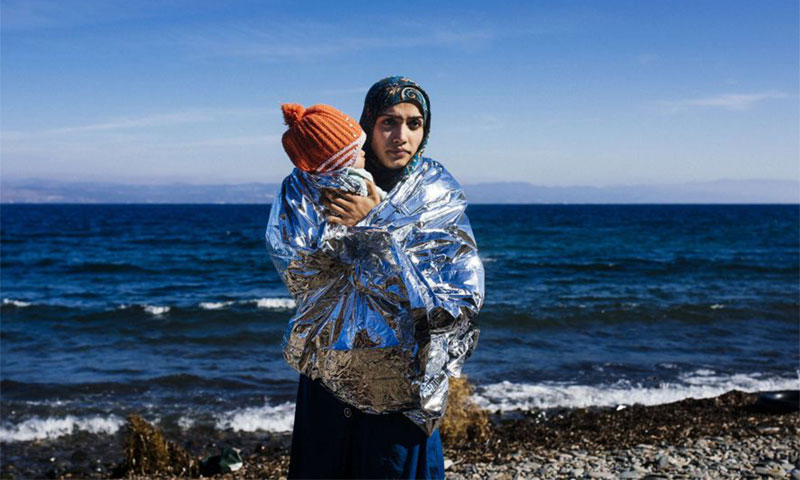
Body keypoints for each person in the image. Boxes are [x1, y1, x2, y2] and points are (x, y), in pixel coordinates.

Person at [266, 76, 484, 479]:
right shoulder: (309, 185)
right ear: (367, 124)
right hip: (329, 379)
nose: (402, 136)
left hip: (403, 389)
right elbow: (305, 276)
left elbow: (456, 301)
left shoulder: (435, 195)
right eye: (389, 122)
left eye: (414, 123)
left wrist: (372, 225)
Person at [279, 102, 386, 200]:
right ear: (339, 161)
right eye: (357, 150)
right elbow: (384, 204)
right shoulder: (356, 181)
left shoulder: (304, 187)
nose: (364, 152)